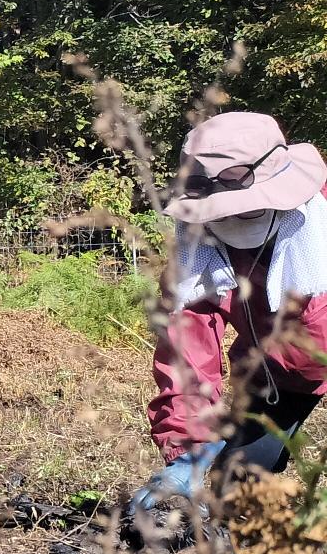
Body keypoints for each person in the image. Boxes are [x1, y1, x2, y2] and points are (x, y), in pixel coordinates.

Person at [139, 111, 327, 515]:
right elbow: (187, 343)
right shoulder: (197, 245)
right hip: (280, 376)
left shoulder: (318, 217)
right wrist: (188, 448)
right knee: (238, 481)